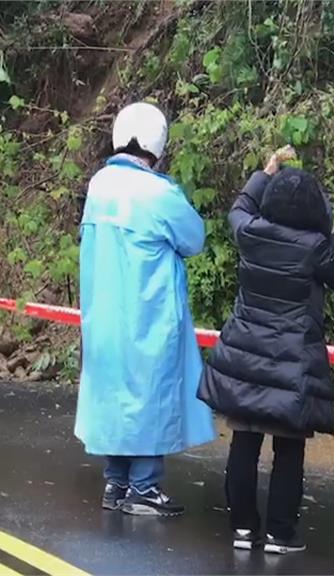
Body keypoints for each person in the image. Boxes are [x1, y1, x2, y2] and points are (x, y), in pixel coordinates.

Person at [198, 147, 334, 553]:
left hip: (245, 358)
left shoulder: (250, 233)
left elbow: (238, 208)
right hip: (294, 365)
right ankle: (279, 533)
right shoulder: (314, 247)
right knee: (289, 449)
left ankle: (241, 528)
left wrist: (265, 172)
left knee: (244, 440)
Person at [75, 102, 216, 517]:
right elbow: (193, 238)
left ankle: (116, 484)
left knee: (116, 397)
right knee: (150, 397)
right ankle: (144, 487)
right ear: (157, 143)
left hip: (104, 315)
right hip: (148, 313)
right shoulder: (158, 193)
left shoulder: (99, 185)